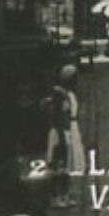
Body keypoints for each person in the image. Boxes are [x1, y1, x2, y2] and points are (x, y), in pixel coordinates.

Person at [44, 65, 85, 208]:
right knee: (59, 164)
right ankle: (56, 196)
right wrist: (62, 135)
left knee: (67, 165)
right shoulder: (59, 94)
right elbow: (57, 116)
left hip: (71, 129)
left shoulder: (69, 93)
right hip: (61, 131)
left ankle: (65, 195)